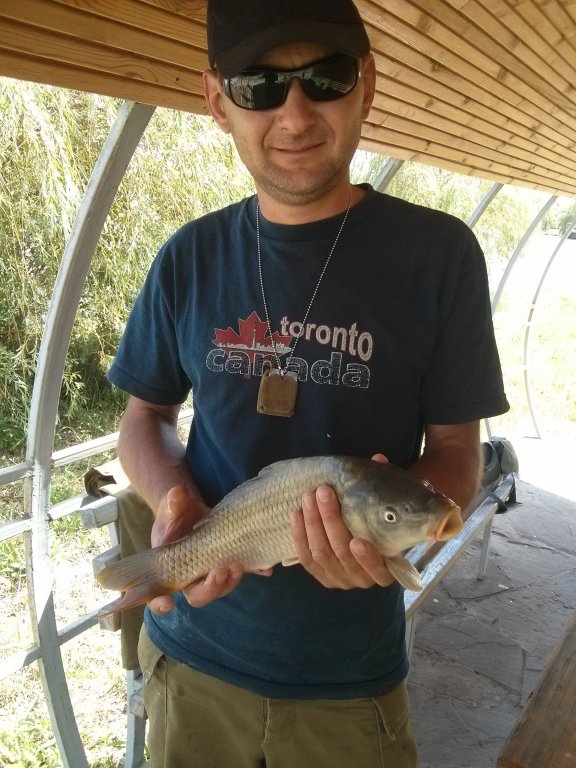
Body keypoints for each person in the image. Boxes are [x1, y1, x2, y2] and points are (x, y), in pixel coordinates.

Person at [107, 0, 510, 765]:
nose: (294, 115)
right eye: (259, 85)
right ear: (217, 101)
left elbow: (459, 446)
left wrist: (396, 520)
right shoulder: (189, 256)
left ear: (367, 85)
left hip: (348, 687)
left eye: (325, 78)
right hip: (194, 666)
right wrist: (175, 503)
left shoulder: (439, 256)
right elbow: (144, 417)